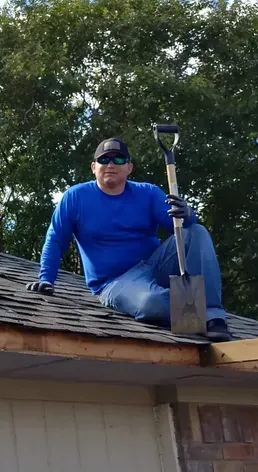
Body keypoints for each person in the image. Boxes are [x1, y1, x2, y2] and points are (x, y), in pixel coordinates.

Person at [25, 137, 234, 342]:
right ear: (93, 167)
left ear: (129, 167)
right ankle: (190, 311)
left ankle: (213, 317)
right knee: (151, 302)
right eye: (104, 160)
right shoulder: (75, 197)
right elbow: (55, 239)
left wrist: (188, 214)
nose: (110, 165)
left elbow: (180, 229)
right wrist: (46, 278)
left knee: (196, 231)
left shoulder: (148, 193)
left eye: (118, 160)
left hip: (155, 264)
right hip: (115, 283)